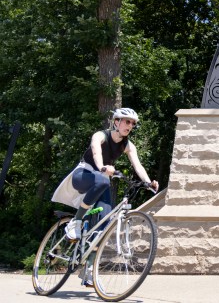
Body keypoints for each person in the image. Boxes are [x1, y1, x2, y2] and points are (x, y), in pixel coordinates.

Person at [51, 108, 159, 286]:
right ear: (116, 122)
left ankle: (89, 270)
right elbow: (96, 152)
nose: (130, 126)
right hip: (83, 174)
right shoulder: (100, 135)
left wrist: (149, 183)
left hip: (101, 180)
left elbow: (138, 166)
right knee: (103, 181)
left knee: (106, 223)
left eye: (132, 123)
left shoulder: (128, 145)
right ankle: (75, 222)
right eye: (126, 121)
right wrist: (102, 167)